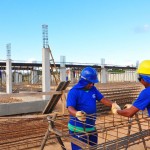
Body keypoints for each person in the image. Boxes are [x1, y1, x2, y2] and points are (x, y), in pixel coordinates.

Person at [66, 67, 117, 150]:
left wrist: (113, 105)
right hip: (77, 128)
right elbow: (70, 107)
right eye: (90, 83)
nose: (92, 85)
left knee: (93, 147)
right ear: (83, 81)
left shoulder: (93, 89)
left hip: (91, 126)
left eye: (93, 83)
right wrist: (76, 113)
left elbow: (102, 99)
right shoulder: (74, 91)